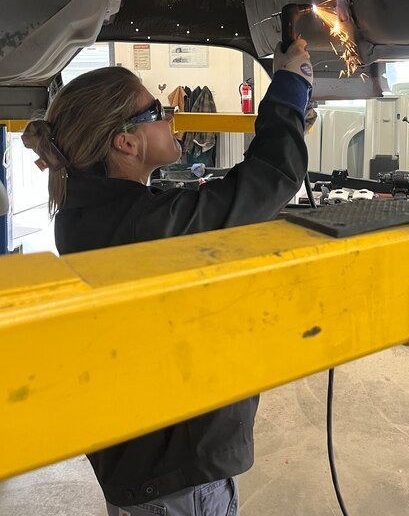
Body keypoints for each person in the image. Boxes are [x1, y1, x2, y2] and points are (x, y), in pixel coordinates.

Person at [22, 39, 313, 516]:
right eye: (156, 110)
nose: (172, 114)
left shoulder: (84, 213)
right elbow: (269, 178)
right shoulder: (146, 223)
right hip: (175, 476)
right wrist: (290, 87)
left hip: (138, 460)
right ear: (125, 141)